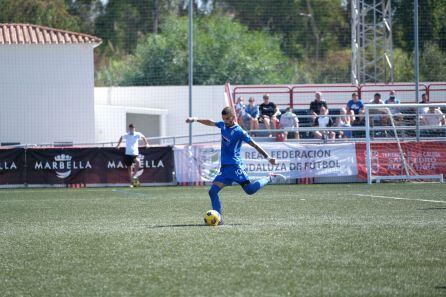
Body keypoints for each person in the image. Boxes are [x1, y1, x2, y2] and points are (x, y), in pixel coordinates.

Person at [186, 107, 286, 225]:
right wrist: (195, 119)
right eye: (224, 119)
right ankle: (218, 219)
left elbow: (254, 145)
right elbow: (210, 122)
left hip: (235, 166)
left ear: (233, 117)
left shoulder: (239, 131)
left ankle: (270, 178)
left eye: (227, 118)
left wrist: (268, 158)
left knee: (250, 190)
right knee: (212, 191)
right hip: (225, 169)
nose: (225, 121)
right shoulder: (223, 125)